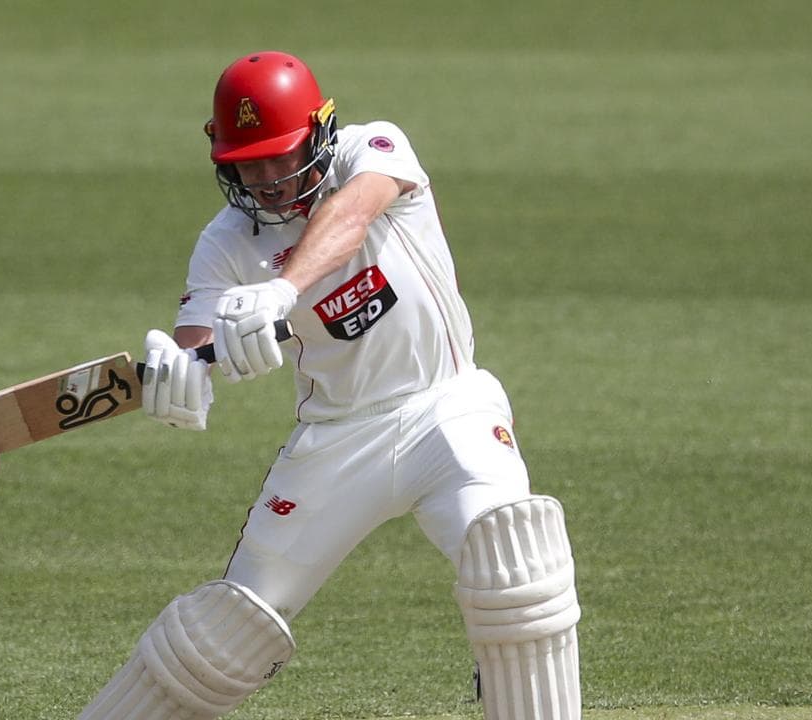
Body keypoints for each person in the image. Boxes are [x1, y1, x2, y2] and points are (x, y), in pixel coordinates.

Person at [79, 51, 582, 720]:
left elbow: (352, 217)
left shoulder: (373, 150)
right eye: (246, 164)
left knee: (516, 563)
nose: (265, 180)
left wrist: (280, 291)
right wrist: (182, 370)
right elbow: (197, 339)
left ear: (320, 131)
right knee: (221, 634)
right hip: (336, 440)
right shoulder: (227, 242)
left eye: (278, 157)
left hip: (447, 407)